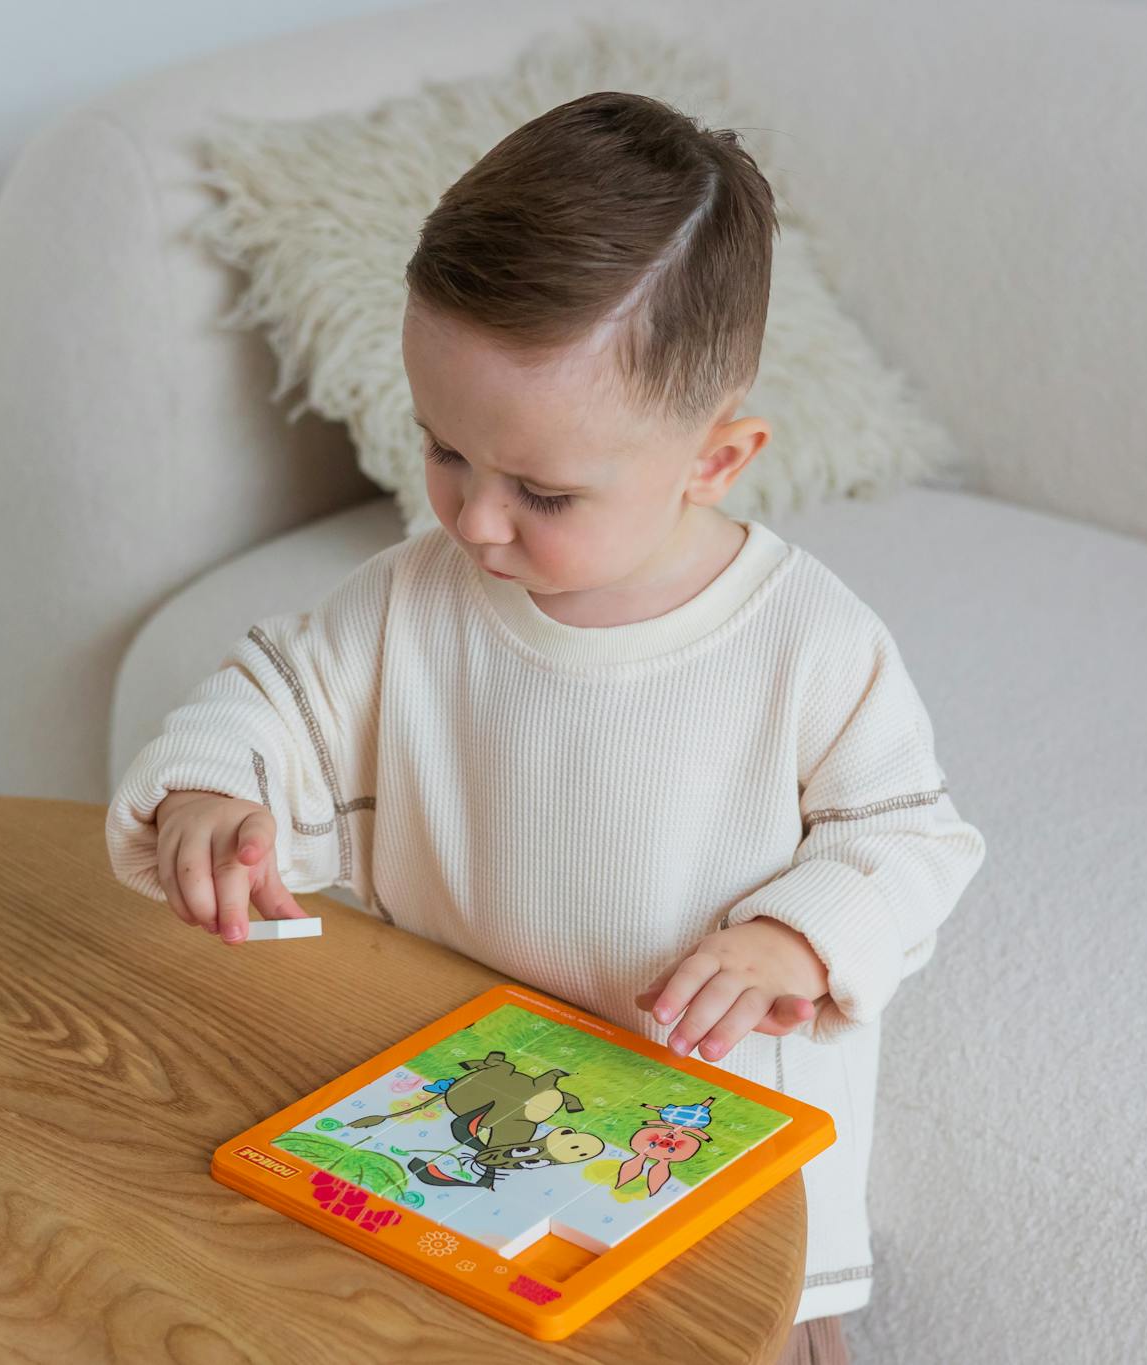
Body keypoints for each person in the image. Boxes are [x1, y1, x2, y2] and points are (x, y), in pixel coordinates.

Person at [106, 89, 987, 1363]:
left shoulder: (806, 640)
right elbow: (272, 700)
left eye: (542, 491)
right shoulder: (417, 597)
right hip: (467, 1137)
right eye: (444, 451)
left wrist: (796, 942)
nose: (471, 520)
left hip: (711, 1165)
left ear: (716, 460)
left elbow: (913, 840)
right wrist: (210, 795)